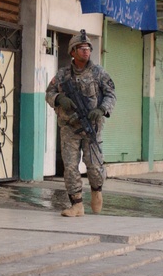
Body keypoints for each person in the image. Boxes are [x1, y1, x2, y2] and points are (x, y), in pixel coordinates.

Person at [46, 30, 116, 217]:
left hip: (92, 127)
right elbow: (49, 93)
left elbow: (111, 94)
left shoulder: (98, 73)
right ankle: (76, 204)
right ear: (72, 51)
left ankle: (96, 191)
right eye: (82, 48)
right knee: (69, 166)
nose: (86, 52)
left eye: (88, 48)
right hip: (69, 127)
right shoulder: (62, 75)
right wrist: (60, 98)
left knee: (94, 165)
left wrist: (101, 109)